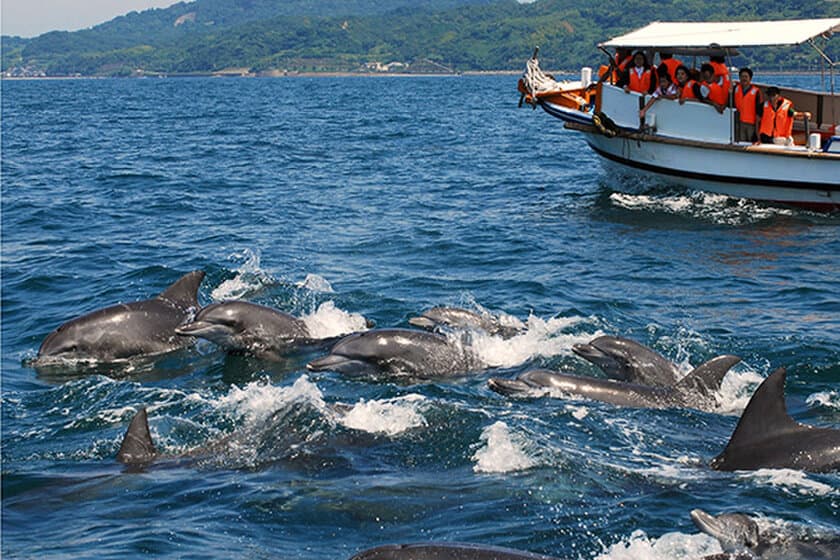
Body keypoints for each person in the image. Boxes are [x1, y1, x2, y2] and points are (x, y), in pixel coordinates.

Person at [732, 67, 763, 143]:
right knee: (740, 142)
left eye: (746, 77)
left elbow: (759, 109)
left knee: (750, 143)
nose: (744, 79)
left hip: (751, 124)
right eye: (742, 77)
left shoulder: (756, 91)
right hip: (739, 122)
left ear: (750, 78)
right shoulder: (735, 89)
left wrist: (757, 127)